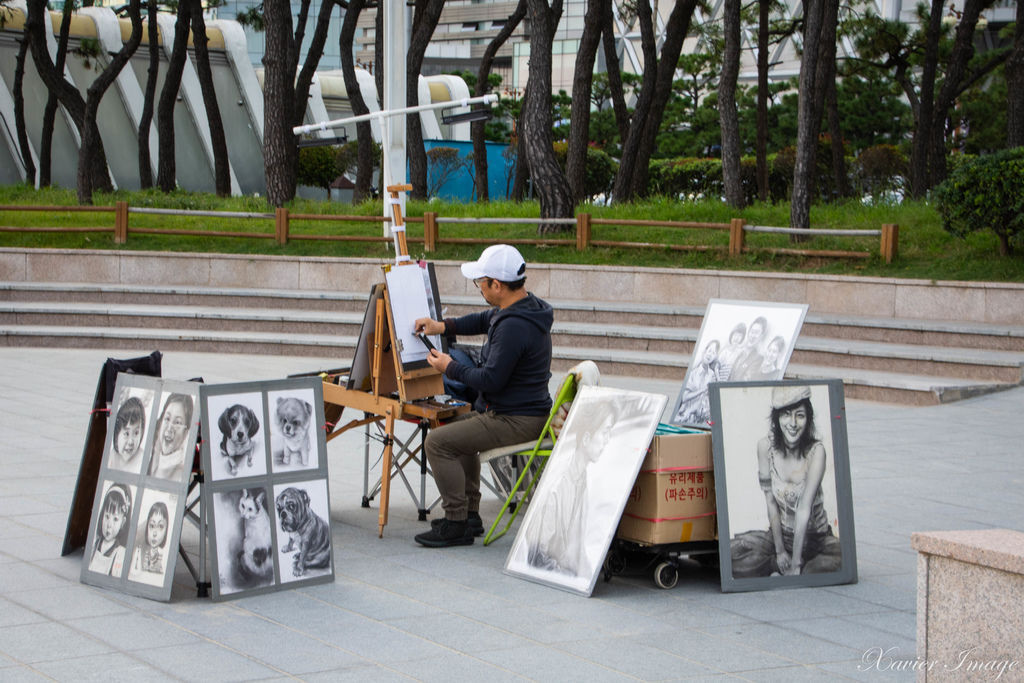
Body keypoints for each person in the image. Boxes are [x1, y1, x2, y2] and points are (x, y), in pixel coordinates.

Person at [412, 244, 553, 547]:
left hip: (516, 418)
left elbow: (490, 380)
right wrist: (442, 325)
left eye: (481, 283)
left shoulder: (514, 327)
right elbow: (482, 319)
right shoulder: (524, 307)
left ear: (497, 285)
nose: (480, 288)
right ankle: (470, 514)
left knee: (437, 443)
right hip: (521, 410)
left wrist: (449, 367)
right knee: (457, 431)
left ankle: (456, 522)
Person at [729, 385, 842, 577]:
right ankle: (775, 565)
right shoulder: (765, 447)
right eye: (786, 415)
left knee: (836, 561)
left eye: (800, 415)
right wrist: (780, 552)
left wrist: (796, 564)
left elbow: (804, 508)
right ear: (777, 418)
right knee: (729, 555)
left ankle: (801, 566)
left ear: (808, 420)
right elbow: (770, 501)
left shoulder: (816, 452)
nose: (793, 423)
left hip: (815, 539)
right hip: (780, 536)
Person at [522, 397, 618, 577]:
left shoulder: (581, 479)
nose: (607, 440)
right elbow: (538, 556)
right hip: (558, 573)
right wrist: (572, 577)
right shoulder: (559, 484)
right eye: (605, 432)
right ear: (587, 438)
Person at [672, 339, 726, 426]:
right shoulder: (693, 373)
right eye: (709, 351)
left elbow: (718, 395)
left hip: (704, 419)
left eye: (713, 353)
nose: (710, 354)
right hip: (687, 417)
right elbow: (685, 397)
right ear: (705, 351)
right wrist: (702, 390)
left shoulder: (712, 374)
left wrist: (717, 373)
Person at [148, 393, 194, 483]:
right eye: (167, 419)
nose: (169, 428)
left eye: (177, 422)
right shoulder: (151, 460)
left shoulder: (182, 476)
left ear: (186, 432)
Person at [89, 483, 132, 576]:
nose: (109, 524)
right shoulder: (95, 544)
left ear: (123, 522)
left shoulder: (119, 553)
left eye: (115, 519)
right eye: (107, 516)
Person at [108, 396, 146, 472]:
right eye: (126, 434)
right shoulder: (111, 457)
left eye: (136, 433)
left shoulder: (142, 459)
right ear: (117, 434)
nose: (131, 442)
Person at [132, 501, 169, 575]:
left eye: (160, 527)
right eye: (152, 526)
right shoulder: (139, 536)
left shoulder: (163, 556)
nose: (155, 533)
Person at [729, 316, 768, 381]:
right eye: (752, 331)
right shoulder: (738, 349)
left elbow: (746, 380)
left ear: (761, 336)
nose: (752, 336)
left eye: (756, 333)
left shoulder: (758, 358)